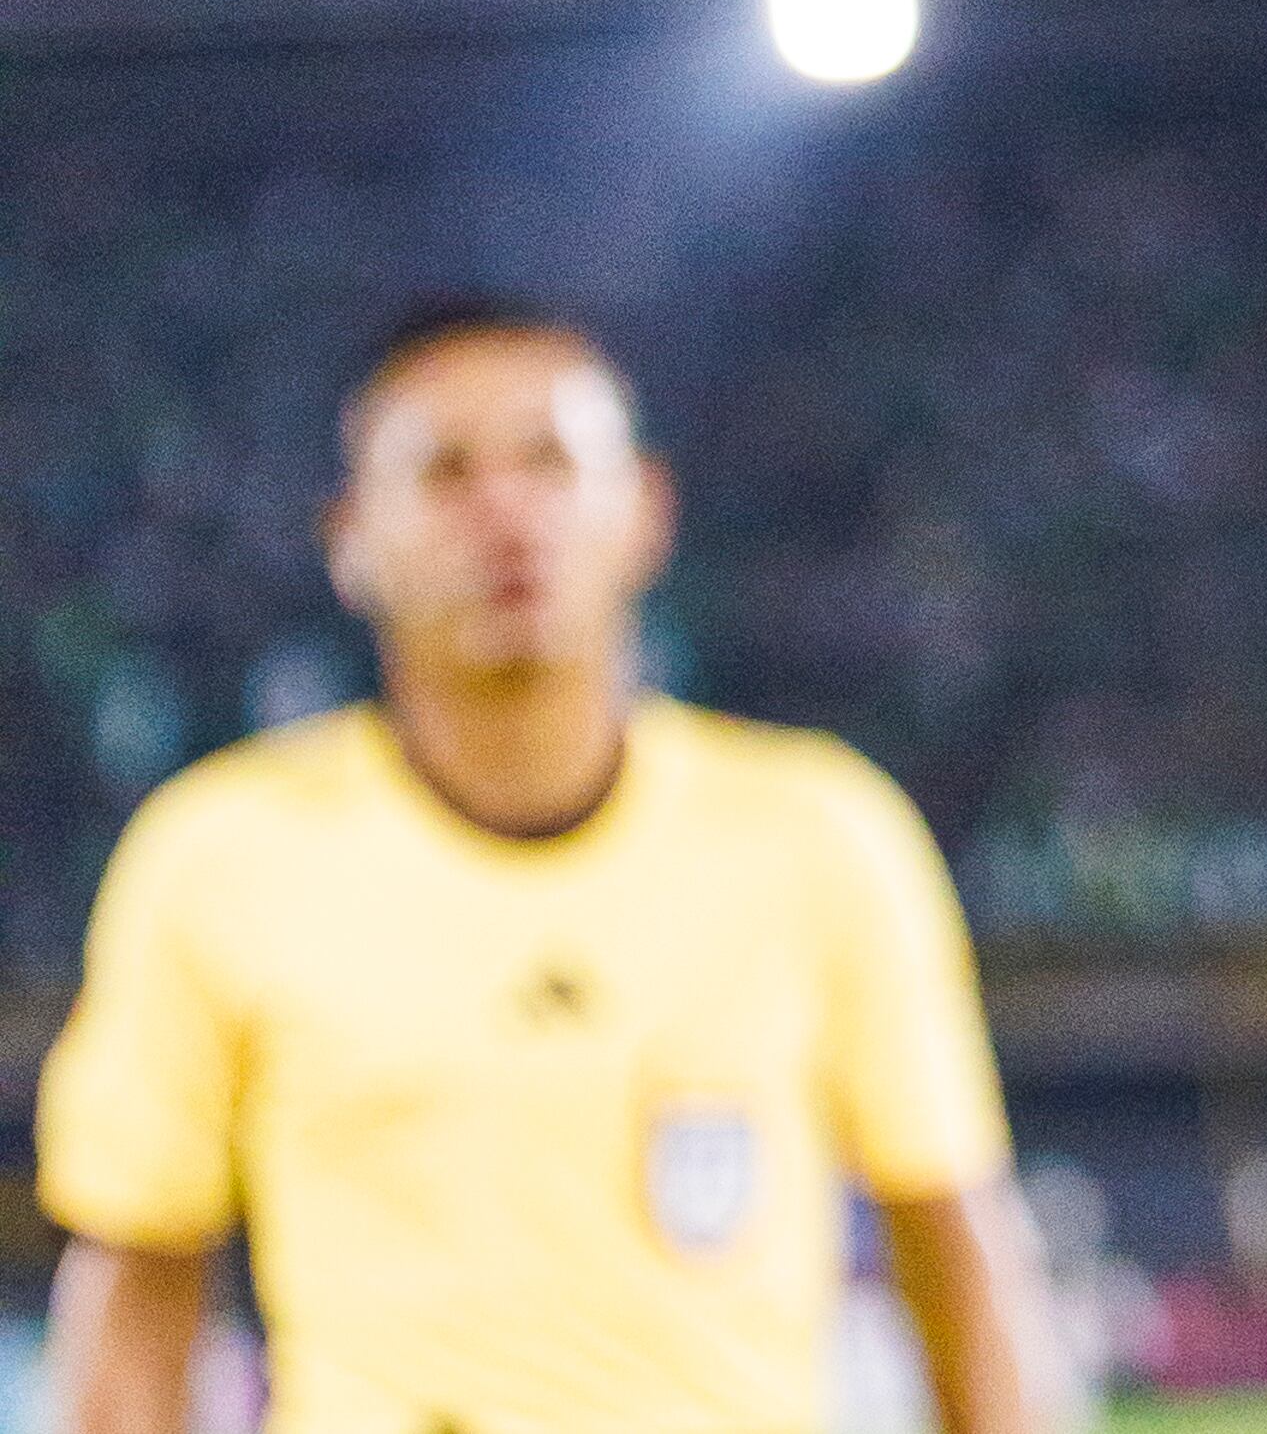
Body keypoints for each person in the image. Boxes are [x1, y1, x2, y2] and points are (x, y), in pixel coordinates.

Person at [34, 298, 1071, 1434]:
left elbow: (957, 1245)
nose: (505, 512)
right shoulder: (222, 857)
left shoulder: (820, 836)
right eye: (442, 474)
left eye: (552, 461)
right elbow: (136, 1286)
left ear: (645, 511)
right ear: (349, 539)